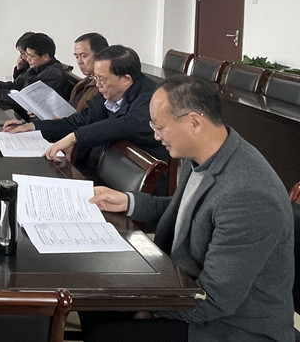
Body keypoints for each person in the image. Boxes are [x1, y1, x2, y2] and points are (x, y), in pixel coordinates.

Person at [84, 76, 294, 342]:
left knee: (107, 333)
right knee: (93, 302)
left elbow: (215, 300)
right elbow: (188, 209)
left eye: (160, 127)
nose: (155, 136)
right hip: (186, 289)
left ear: (194, 122)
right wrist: (128, 202)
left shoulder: (248, 195)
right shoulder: (205, 154)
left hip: (233, 327)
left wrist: (148, 308)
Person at [3, 45, 168, 188]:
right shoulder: (108, 90)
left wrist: (75, 137)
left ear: (126, 79)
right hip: (102, 173)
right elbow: (79, 121)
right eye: (95, 78)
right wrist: (31, 127)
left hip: (140, 188)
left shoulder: (151, 100)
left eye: (102, 79)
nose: (97, 85)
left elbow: (124, 124)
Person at [0, 32, 70, 102]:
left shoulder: (53, 75)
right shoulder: (37, 65)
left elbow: (29, 101)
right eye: (27, 55)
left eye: (31, 56)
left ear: (45, 57)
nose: (28, 59)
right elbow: (16, 86)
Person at [69, 32, 109, 112]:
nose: (79, 62)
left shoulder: (106, 86)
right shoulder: (81, 84)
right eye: (77, 57)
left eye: (84, 56)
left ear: (100, 55)